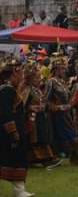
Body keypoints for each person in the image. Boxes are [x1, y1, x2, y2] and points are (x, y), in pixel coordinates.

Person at [0, 61, 33, 197]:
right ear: (14, 74)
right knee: (12, 158)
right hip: (8, 132)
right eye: (21, 74)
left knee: (16, 159)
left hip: (13, 131)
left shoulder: (11, 90)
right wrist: (13, 131)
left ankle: (19, 190)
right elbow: (6, 113)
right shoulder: (6, 90)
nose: (22, 77)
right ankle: (19, 191)